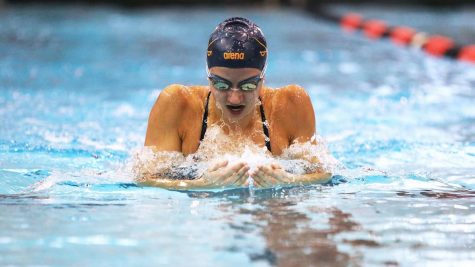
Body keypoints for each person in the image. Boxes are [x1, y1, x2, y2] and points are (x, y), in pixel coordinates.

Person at [141, 17, 331, 189]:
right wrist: (200, 185)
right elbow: (144, 179)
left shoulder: (290, 104)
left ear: (262, 79)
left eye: (247, 86)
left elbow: (323, 174)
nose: (234, 98)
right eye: (222, 85)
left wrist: (289, 181)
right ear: (208, 78)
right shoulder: (177, 103)